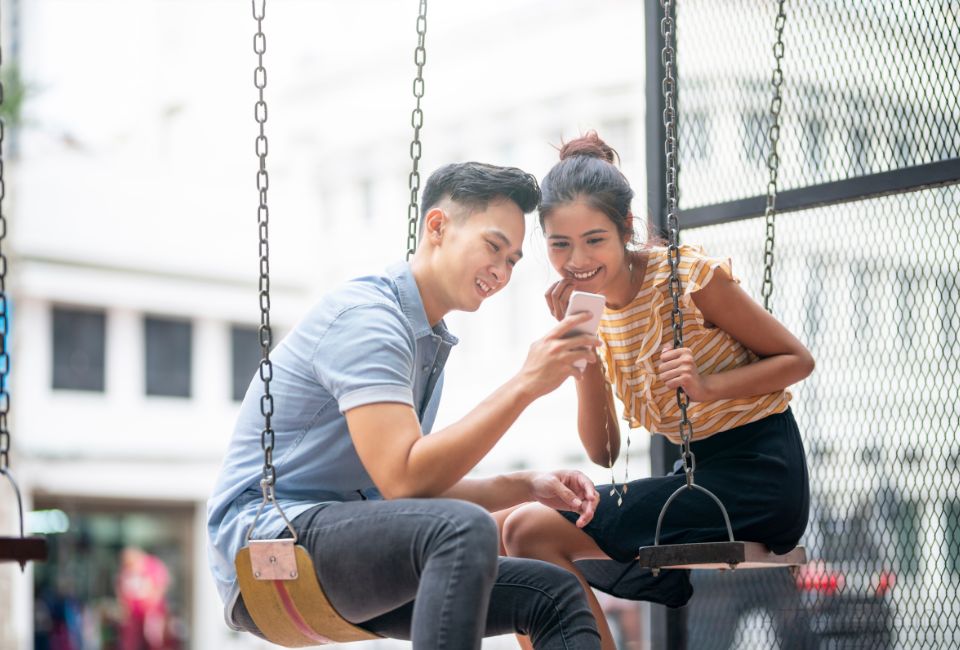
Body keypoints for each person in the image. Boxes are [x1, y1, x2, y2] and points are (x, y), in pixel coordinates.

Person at [207, 161, 605, 650]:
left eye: (513, 261)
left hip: (337, 544)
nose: (501, 272)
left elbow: (403, 496)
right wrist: (525, 384)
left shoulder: (427, 341)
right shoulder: (369, 320)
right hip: (269, 546)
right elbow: (404, 479)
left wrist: (527, 486)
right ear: (437, 227)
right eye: (493, 247)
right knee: (462, 531)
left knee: (553, 593)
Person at [501, 132, 814, 650]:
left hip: (761, 477)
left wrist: (707, 385)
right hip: (696, 474)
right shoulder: (591, 312)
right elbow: (604, 452)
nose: (577, 259)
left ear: (625, 228)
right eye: (560, 244)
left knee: (528, 528)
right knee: (508, 529)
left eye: (594, 239)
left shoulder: (686, 277)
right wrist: (584, 356)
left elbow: (797, 360)